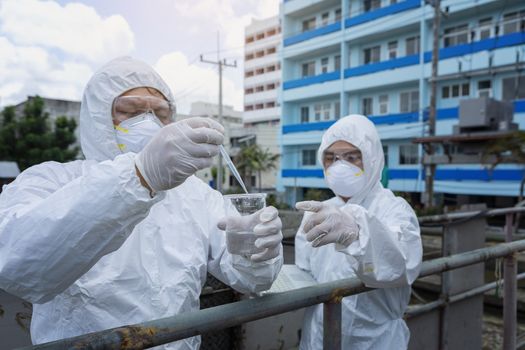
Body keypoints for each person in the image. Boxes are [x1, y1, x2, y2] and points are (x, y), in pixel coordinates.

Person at [0, 56, 283, 349]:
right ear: (98, 116)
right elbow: (18, 268)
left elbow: (251, 281)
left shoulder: (196, 196)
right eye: (131, 111)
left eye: (159, 112)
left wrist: (257, 251)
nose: (148, 121)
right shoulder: (52, 180)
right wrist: (138, 177)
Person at [294, 115, 422, 349]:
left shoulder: (394, 209)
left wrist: (358, 233)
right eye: (331, 158)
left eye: (352, 157)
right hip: (318, 336)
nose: (339, 165)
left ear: (372, 158)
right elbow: (305, 274)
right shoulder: (317, 212)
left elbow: (401, 267)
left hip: (374, 340)